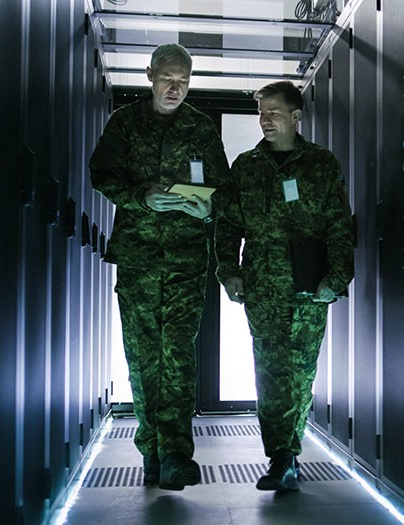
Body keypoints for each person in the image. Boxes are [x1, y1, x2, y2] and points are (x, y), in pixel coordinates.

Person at [89, 43, 230, 490]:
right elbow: (101, 174)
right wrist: (140, 197)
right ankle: (151, 449)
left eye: (183, 81)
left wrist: (207, 210)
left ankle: (175, 454)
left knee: (179, 353)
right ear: (150, 74)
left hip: (187, 258)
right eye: (168, 78)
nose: (175, 88)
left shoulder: (201, 128)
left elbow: (222, 189)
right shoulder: (125, 123)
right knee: (144, 354)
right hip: (139, 257)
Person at [214, 80, 355, 491]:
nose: (265, 120)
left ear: (295, 117)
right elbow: (228, 225)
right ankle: (281, 457)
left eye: (274, 112)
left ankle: (288, 452)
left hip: (310, 287)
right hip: (263, 285)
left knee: (301, 373)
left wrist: (336, 278)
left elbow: (339, 225)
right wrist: (229, 272)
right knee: (271, 371)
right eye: (262, 113)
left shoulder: (321, 164)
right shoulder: (246, 166)